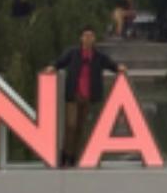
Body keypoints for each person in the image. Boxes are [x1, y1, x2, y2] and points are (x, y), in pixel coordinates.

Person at [42, 25, 127, 167]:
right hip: (73, 95)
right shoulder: (73, 53)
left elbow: (111, 65)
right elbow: (60, 62)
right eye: (85, 36)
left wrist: (119, 68)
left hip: (88, 97)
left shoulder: (98, 57)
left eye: (91, 36)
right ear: (81, 38)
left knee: (81, 127)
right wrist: (53, 67)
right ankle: (65, 154)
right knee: (71, 125)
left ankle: (74, 156)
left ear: (94, 39)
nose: (88, 39)